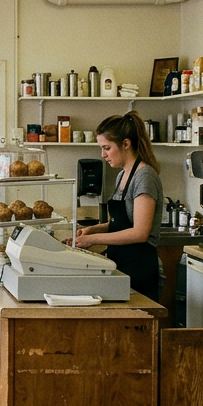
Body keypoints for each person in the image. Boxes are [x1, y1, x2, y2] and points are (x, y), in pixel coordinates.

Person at [72, 112, 163, 300]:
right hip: (121, 264)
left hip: (140, 269)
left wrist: (94, 240)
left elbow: (140, 232)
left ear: (126, 144)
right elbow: (122, 224)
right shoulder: (123, 175)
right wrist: (92, 230)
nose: (102, 155)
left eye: (106, 148)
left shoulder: (145, 177)